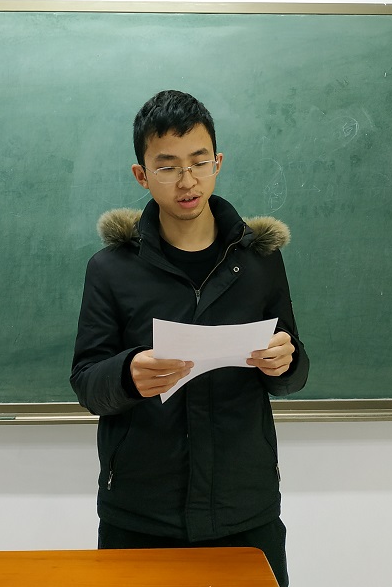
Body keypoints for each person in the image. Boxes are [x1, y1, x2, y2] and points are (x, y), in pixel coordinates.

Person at [70, 90, 309, 587]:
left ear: (217, 163)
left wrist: (284, 361)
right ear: (142, 175)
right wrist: (127, 375)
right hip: (140, 512)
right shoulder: (111, 269)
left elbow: (293, 370)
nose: (187, 180)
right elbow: (88, 384)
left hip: (244, 509)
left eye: (199, 162)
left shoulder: (259, 261)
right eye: (168, 166)